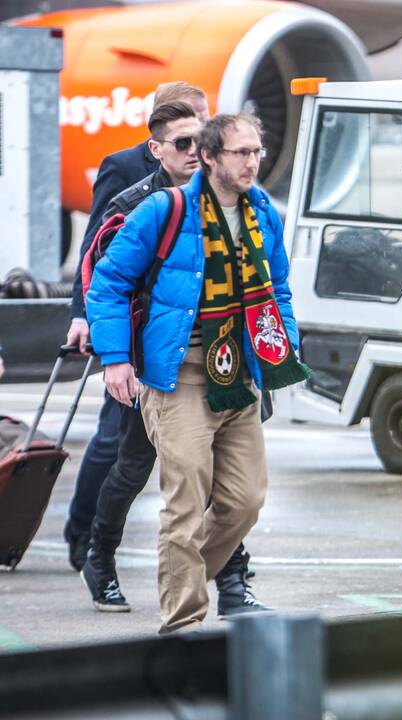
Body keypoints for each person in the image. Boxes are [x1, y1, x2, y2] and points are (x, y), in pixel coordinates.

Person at [86, 113, 310, 633]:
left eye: (257, 150)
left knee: (245, 502)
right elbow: (109, 282)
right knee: (184, 507)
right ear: (210, 158)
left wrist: (285, 347)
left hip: (241, 376)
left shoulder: (262, 213)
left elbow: (278, 290)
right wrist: (116, 359)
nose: (253, 161)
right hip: (180, 375)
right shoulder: (164, 209)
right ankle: (182, 626)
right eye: (241, 152)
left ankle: (180, 575)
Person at [63, 81, 210, 571]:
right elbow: (96, 254)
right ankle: (84, 536)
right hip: (136, 341)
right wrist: (85, 319)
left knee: (202, 459)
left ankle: (231, 570)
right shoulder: (127, 173)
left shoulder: (217, 187)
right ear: (160, 137)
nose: (198, 145)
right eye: (186, 136)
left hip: (195, 348)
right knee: (121, 449)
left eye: (205, 129)